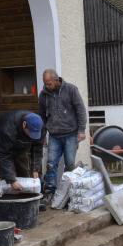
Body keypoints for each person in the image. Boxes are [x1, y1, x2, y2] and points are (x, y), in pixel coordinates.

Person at [38, 69, 87, 197]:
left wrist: (82, 130)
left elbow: (80, 110)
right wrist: (43, 135)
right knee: (51, 164)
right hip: (54, 135)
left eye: (49, 83)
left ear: (56, 80)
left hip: (71, 134)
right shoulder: (43, 95)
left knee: (70, 164)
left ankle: (68, 191)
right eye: (45, 83)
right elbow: (42, 116)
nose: (46, 86)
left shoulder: (71, 90)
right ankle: (50, 191)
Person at [0, 110, 44, 192]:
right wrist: (11, 180)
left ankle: (22, 191)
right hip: (0, 136)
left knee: (23, 165)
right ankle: (7, 193)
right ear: (24, 124)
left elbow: (38, 148)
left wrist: (35, 169)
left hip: (20, 140)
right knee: (6, 172)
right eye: (31, 133)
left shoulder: (39, 127)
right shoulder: (6, 130)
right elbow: (3, 156)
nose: (33, 137)